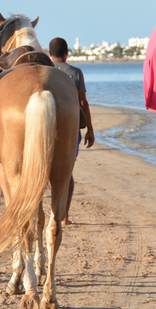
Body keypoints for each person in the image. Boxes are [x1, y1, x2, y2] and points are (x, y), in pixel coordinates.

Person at [48, 37, 94, 225]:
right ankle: (64, 216)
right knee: (66, 172)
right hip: (70, 127)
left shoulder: (45, 71)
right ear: (66, 53)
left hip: (46, 126)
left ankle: (52, 212)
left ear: (49, 54)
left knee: (47, 170)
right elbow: (83, 102)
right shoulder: (75, 73)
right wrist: (90, 129)